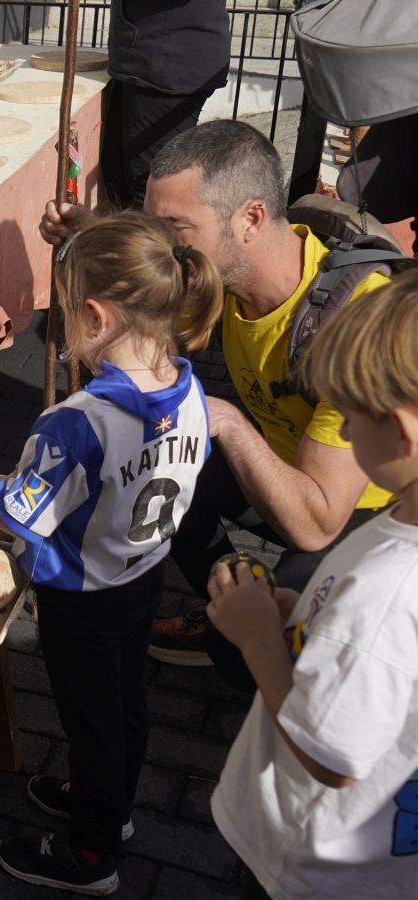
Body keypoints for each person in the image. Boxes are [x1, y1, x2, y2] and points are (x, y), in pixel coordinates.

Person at [40, 120, 395, 677]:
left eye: (175, 227)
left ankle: (254, 650)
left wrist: (226, 420)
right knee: (155, 474)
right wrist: (92, 235)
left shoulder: (353, 327)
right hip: (287, 467)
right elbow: (144, 268)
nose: (163, 247)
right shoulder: (216, 268)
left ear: (250, 218)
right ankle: (227, 600)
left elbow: (317, 524)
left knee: (251, 649)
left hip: (362, 512)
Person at [0, 212, 223, 895]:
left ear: (95, 316)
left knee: (90, 720)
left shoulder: (78, 422)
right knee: (123, 704)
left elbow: (16, 513)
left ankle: (92, 855)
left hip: (82, 598)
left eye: (63, 315)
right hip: (142, 574)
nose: (61, 330)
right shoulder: (191, 392)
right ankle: (113, 806)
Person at [206, 272, 418, 900]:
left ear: (402, 431)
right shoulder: (400, 524)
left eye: (350, 417)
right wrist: (307, 618)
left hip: (306, 867)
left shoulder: (387, 593)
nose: (343, 435)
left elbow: (331, 755)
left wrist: (259, 642)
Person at [102, 1, 230, 209]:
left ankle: (149, 240)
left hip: (166, 63)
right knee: (120, 179)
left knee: (150, 190)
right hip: (148, 57)